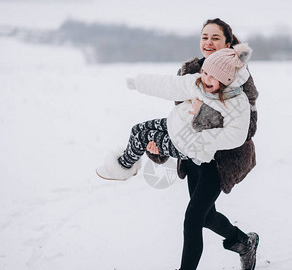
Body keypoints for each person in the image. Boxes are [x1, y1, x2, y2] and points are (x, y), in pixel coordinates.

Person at [146, 18, 259, 270]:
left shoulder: (239, 75)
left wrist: (204, 114)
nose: (208, 43)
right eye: (204, 37)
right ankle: (243, 242)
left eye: (216, 38)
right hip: (194, 156)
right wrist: (160, 148)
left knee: (192, 218)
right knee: (207, 217)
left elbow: (248, 128)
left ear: (228, 43)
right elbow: (178, 118)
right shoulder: (189, 71)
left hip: (222, 160)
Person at [96, 43, 252, 184]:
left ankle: (121, 168)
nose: (206, 79)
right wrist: (139, 83)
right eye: (205, 73)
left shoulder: (236, 103)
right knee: (137, 129)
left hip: (187, 145)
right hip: (176, 124)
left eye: (213, 76)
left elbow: (236, 135)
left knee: (142, 137)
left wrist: (199, 140)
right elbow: (171, 85)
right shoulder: (198, 83)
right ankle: (131, 163)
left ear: (227, 80)